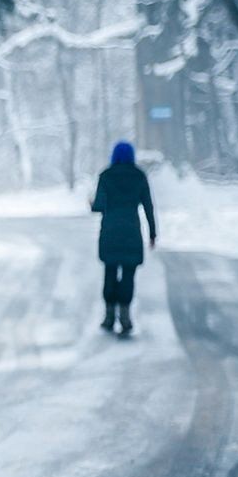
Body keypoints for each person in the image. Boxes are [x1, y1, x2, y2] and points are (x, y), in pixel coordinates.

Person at [90, 141, 156, 336]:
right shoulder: (139, 176)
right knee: (128, 274)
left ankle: (109, 316)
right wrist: (153, 233)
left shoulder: (106, 176)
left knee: (110, 272)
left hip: (110, 232)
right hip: (131, 233)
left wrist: (91, 203)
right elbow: (148, 206)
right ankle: (125, 315)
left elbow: (99, 206)